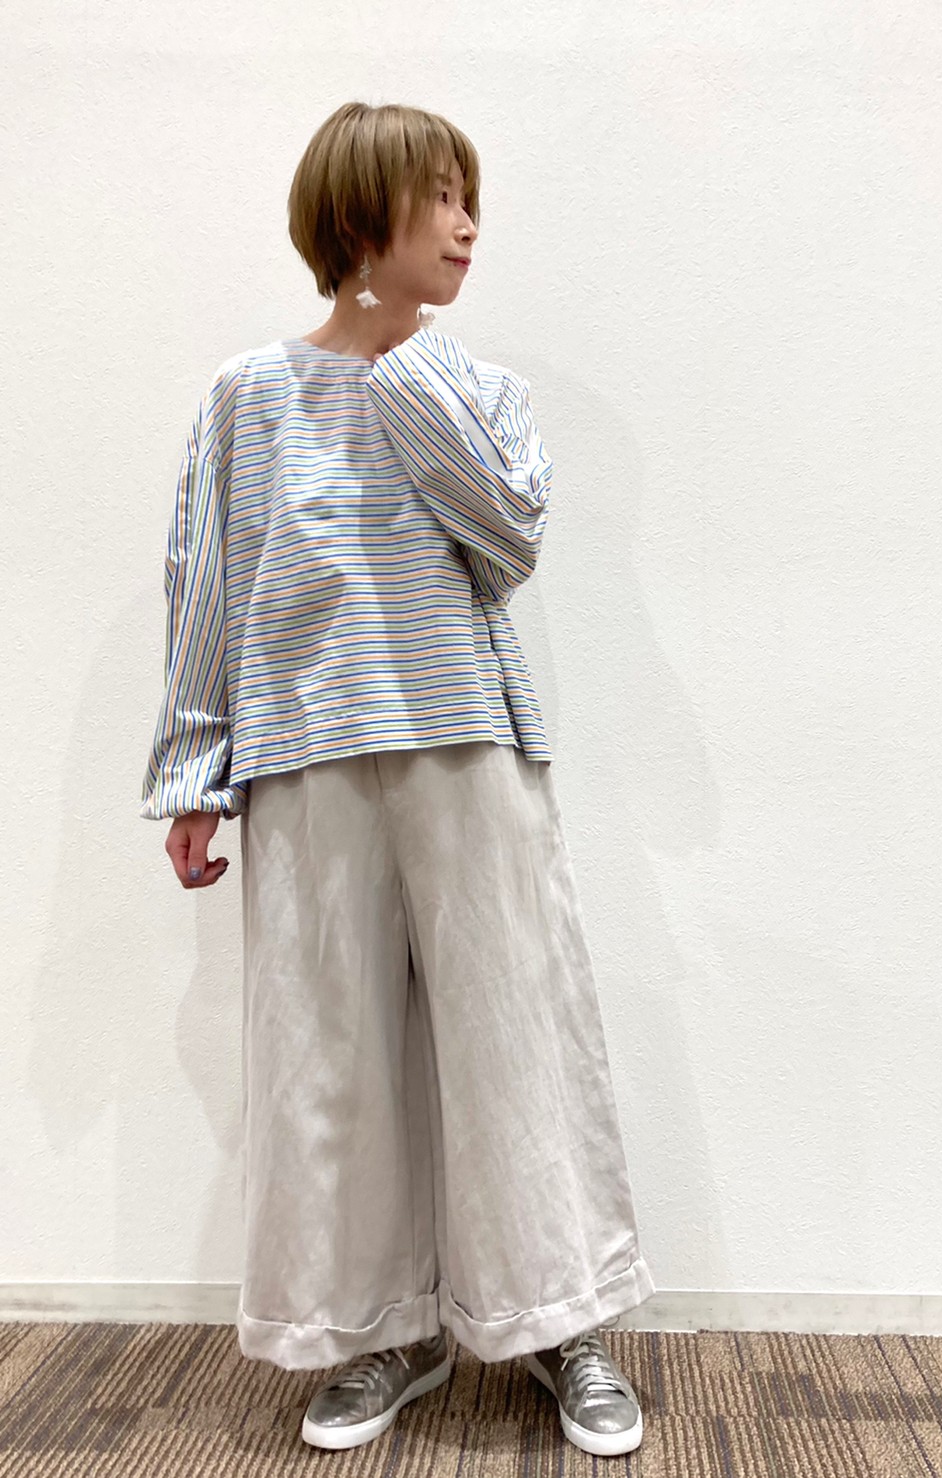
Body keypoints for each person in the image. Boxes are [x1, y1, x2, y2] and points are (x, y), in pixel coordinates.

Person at [140, 100, 655, 1458]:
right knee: (333, 1063)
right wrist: (194, 769)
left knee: (515, 1039)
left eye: (470, 199)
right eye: (442, 198)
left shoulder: (474, 388)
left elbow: (509, 540)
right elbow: (208, 588)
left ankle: (560, 1318)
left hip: (466, 744)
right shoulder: (247, 398)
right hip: (305, 759)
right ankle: (383, 1328)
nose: (470, 226)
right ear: (364, 213)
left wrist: (405, 365)